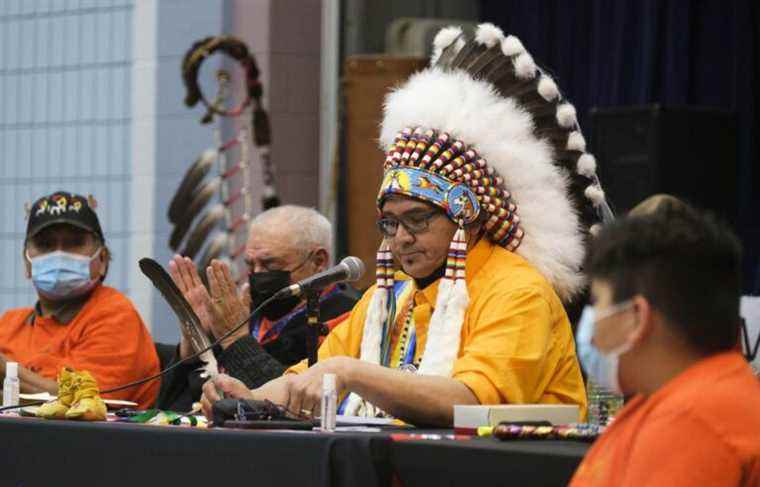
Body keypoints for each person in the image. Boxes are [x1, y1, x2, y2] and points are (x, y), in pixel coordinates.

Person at [201, 23, 614, 426]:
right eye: (389, 224)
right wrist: (250, 400)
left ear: (466, 219)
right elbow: (310, 383)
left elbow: (470, 401)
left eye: (416, 220)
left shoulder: (520, 293)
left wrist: (353, 372)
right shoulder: (389, 297)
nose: (401, 238)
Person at [570, 205, 760, 485]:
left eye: (598, 303)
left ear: (638, 317)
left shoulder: (692, 422)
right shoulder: (672, 400)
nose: (590, 322)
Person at [156, 205, 359, 411]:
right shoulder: (247, 310)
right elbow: (170, 409)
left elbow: (296, 404)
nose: (258, 275)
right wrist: (195, 343)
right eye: (251, 265)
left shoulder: (349, 316)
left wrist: (236, 340)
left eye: (270, 265)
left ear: (318, 261)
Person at [0, 191, 160, 409]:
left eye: (74, 243)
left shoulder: (115, 315)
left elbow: (83, 403)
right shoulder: (10, 324)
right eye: (45, 244)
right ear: (27, 263)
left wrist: (5, 370)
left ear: (102, 259)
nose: (59, 253)